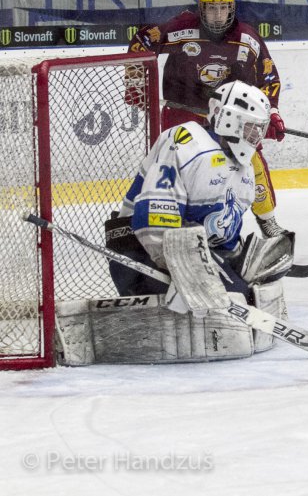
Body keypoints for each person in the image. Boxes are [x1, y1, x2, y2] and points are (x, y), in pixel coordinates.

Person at [75, 81, 293, 365]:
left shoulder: (245, 171)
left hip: (194, 255)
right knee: (235, 302)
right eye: (251, 127)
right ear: (229, 118)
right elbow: (153, 226)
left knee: (252, 292)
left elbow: (224, 242)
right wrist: (189, 272)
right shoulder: (186, 141)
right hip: (138, 256)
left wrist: (239, 264)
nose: (256, 137)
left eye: (259, 130)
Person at [126, 0, 290, 239]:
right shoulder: (181, 27)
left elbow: (268, 77)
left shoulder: (247, 38)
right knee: (175, 162)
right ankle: (156, 215)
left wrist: (271, 112)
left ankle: (267, 219)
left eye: (223, 8)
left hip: (230, 115)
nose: (218, 14)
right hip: (183, 110)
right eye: (212, 8)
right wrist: (137, 85)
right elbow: (142, 41)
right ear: (202, 8)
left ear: (231, 8)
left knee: (252, 161)